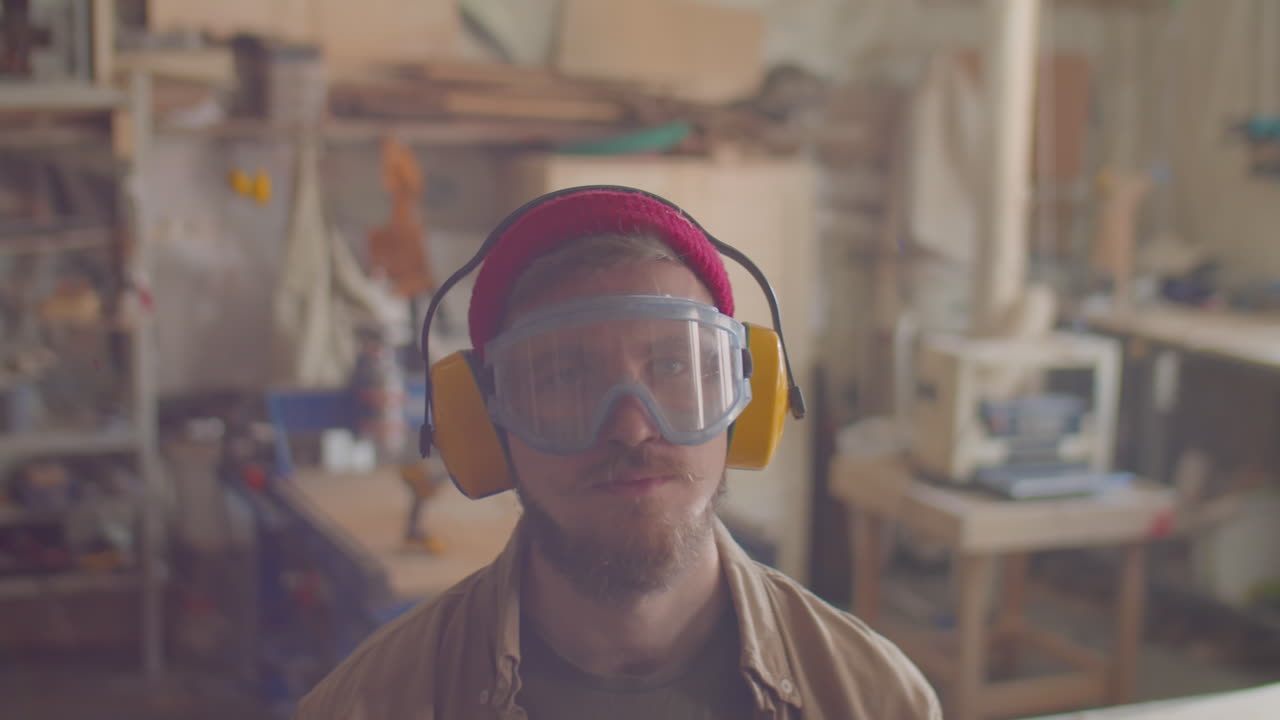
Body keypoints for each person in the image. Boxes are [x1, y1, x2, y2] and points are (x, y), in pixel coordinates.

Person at [296, 186, 941, 719]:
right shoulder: (364, 707)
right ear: (488, 424)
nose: (632, 429)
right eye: (563, 376)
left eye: (673, 364)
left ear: (745, 398)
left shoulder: (879, 701)